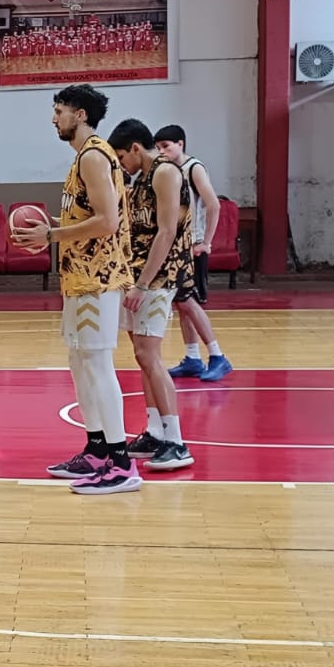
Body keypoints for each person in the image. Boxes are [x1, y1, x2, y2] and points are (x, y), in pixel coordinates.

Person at [10, 84, 141, 495]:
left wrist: (51, 235)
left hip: (97, 278)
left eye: (59, 110)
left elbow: (108, 221)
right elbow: (85, 217)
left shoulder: (94, 157)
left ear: (80, 114)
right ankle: (98, 449)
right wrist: (47, 228)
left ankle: (122, 465)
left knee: (98, 364)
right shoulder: (83, 157)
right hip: (79, 278)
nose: (54, 119)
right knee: (80, 361)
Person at [108, 118, 195, 470]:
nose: (121, 165)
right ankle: (155, 431)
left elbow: (167, 231)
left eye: (121, 158)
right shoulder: (140, 181)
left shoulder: (165, 173)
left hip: (160, 276)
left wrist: (143, 284)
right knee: (142, 356)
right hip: (138, 275)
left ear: (134, 148)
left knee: (150, 354)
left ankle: (177, 441)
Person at [154, 125, 234, 382]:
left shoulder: (193, 168)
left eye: (166, 146)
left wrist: (206, 242)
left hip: (194, 245)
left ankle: (218, 356)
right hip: (178, 245)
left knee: (189, 301)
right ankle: (192, 357)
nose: (162, 151)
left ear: (181, 143)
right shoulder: (168, 170)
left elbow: (213, 205)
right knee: (181, 303)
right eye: (158, 148)